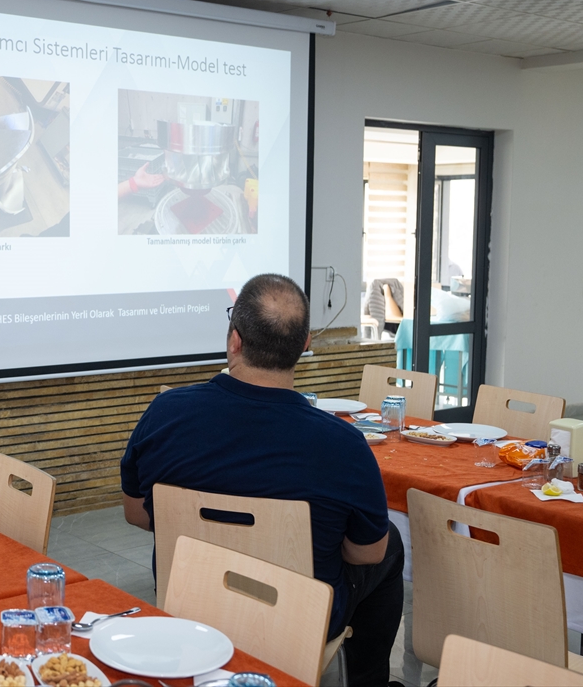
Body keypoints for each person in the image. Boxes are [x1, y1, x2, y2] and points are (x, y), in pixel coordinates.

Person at [120, 273, 403, 686]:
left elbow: (136, 514)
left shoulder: (165, 413)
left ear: (235, 340)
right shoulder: (344, 444)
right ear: (304, 345)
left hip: (188, 599)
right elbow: (367, 554)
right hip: (297, 618)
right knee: (389, 543)